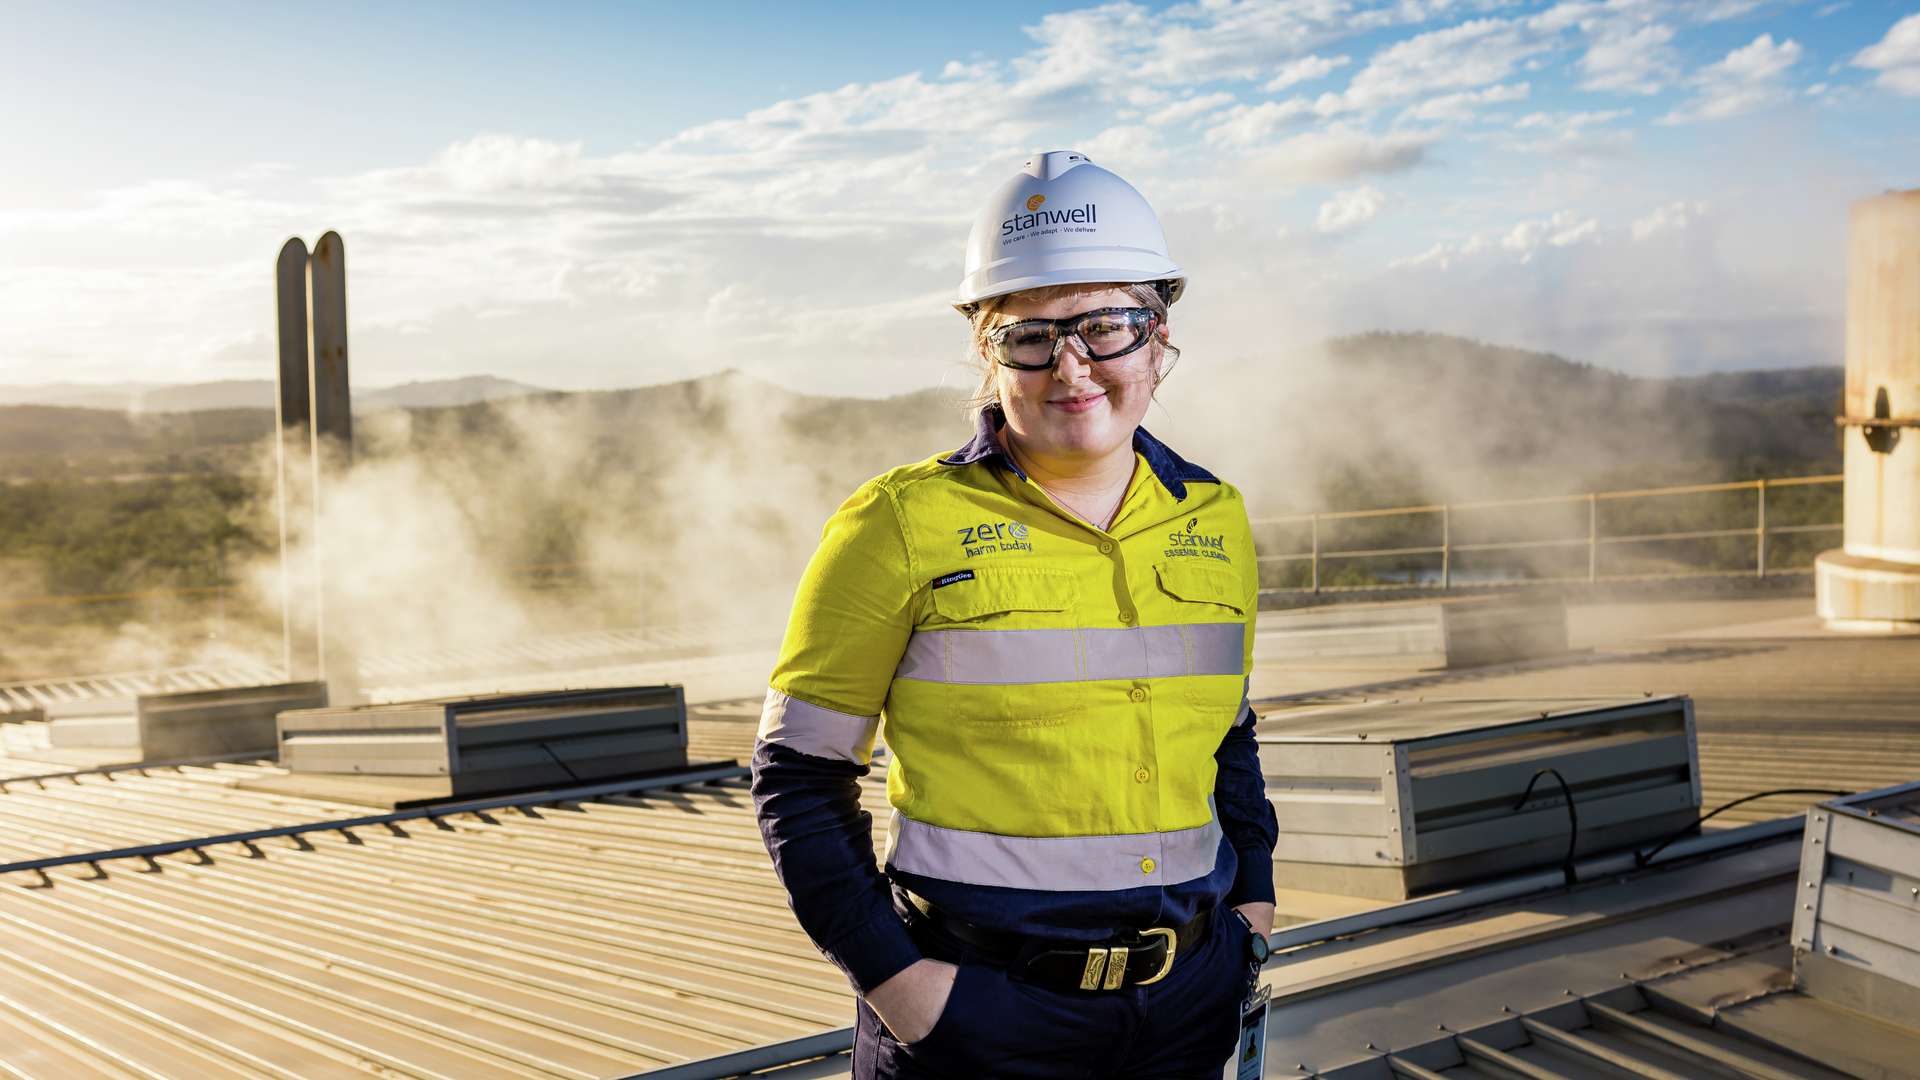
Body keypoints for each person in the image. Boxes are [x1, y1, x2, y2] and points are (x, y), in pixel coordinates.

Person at [751, 150, 1278, 1079]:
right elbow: (797, 778)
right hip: (976, 1016)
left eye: (1107, 326)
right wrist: (908, 991)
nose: (1071, 366)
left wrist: (1252, 915)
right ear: (986, 354)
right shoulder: (898, 523)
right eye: (1029, 335)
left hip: (1187, 1004)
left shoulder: (1216, 517)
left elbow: (1227, 737)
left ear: (1158, 340)